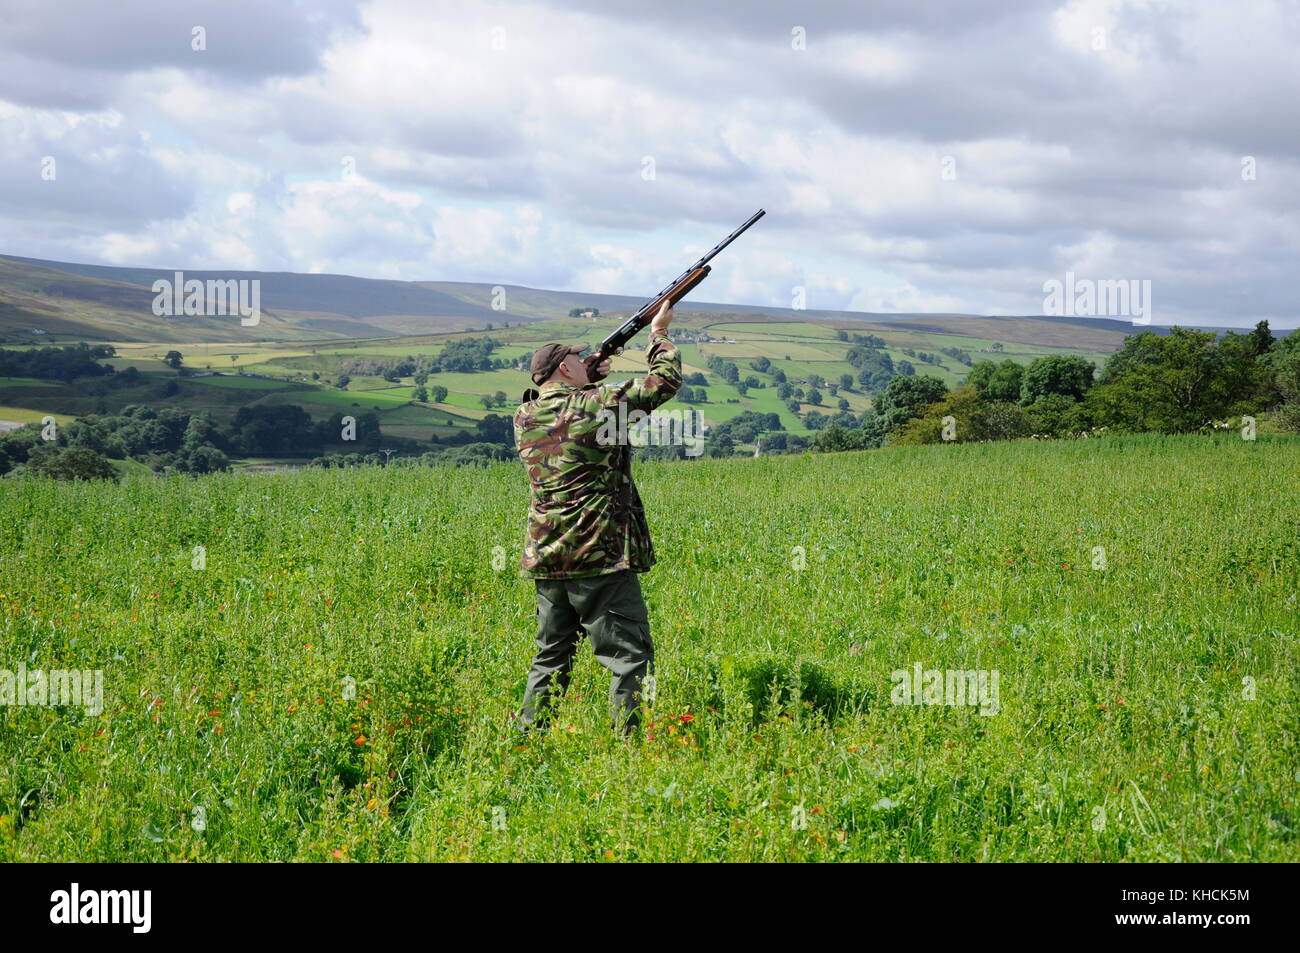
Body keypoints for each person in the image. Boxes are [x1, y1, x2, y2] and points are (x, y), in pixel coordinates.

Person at [512, 300, 682, 735]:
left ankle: (528, 740)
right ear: (566, 371)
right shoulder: (594, 405)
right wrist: (658, 332)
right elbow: (663, 382)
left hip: (549, 557)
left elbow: (573, 414)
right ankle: (628, 746)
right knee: (628, 656)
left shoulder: (525, 415)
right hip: (599, 554)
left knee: (551, 655)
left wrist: (589, 377)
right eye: (575, 357)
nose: (580, 360)